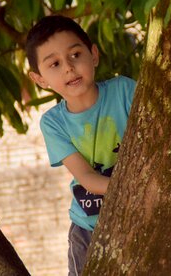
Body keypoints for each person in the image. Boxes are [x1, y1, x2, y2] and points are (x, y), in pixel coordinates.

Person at [25, 15, 136, 276]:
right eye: (54, 63)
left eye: (75, 55)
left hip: (137, 216)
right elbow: (86, 177)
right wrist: (135, 191)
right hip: (88, 227)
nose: (68, 68)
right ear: (40, 79)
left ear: (94, 55)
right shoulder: (53, 122)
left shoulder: (124, 91)